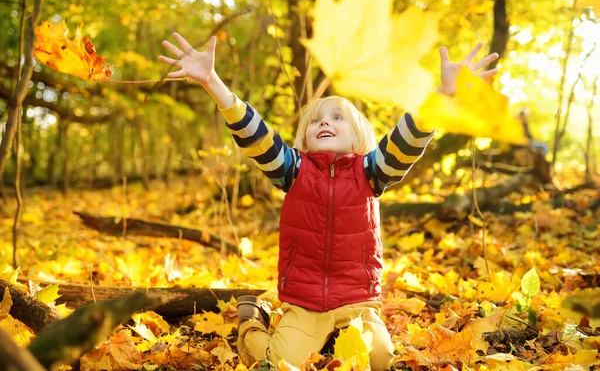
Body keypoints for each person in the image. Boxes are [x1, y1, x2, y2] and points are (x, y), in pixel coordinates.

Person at [159, 33, 499, 370]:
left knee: (380, 361)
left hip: (358, 302)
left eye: (338, 118)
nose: (325, 122)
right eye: (317, 120)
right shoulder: (293, 169)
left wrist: (442, 95)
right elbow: (257, 136)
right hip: (304, 304)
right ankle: (251, 321)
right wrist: (213, 83)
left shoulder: (370, 172)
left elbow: (404, 142)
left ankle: (338, 341)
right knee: (281, 364)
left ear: (358, 137)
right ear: (304, 139)